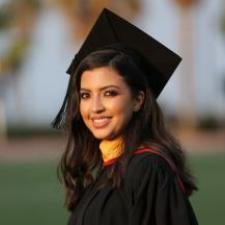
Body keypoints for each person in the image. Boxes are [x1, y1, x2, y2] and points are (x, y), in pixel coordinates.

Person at [52, 8, 198, 225]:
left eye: (109, 93)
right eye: (86, 95)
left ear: (138, 100)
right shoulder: (106, 171)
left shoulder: (148, 169)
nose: (95, 107)